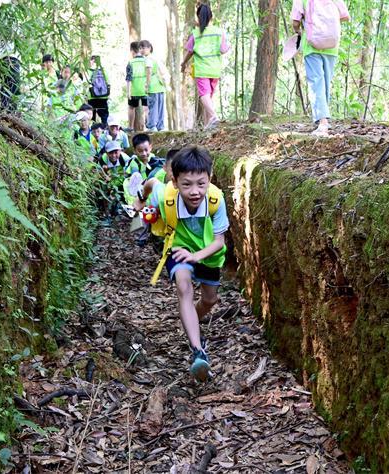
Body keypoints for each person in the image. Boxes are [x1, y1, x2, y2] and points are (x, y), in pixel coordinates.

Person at [133, 146, 229, 382]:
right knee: (183, 288)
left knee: (209, 300)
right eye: (186, 185)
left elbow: (219, 241)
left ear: (209, 178)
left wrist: (197, 256)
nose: (194, 191)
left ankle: (191, 322)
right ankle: (198, 351)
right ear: (174, 182)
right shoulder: (165, 195)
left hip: (208, 254)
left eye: (200, 184)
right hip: (178, 249)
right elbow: (151, 186)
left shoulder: (216, 199)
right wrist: (141, 203)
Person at [291, 0, 350, 137]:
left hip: (311, 45)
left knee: (316, 82)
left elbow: (295, 21)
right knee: (325, 82)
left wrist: (299, 30)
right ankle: (323, 120)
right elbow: (345, 16)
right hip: (331, 45)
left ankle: (322, 123)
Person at [181, 3, 230, 130]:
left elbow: (190, 51)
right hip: (214, 69)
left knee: (204, 95)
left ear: (198, 17)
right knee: (209, 96)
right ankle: (209, 124)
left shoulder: (196, 34)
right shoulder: (219, 32)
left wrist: (184, 63)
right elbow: (224, 50)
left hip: (202, 69)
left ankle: (213, 117)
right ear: (211, 17)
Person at [141, 40, 168, 132]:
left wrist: (147, 85)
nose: (142, 50)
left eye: (144, 48)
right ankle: (160, 126)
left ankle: (152, 126)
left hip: (152, 86)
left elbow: (148, 72)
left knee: (152, 106)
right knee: (160, 107)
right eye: (140, 48)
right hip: (160, 85)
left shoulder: (148, 59)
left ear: (149, 48)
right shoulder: (155, 58)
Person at [126, 41, 149, 131]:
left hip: (134, 89)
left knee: (131, 108)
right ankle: (147, 126)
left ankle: (131, 127)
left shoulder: (130, 62)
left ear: (132, 50)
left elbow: (128, 78)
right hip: (145, 89)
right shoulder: (146, 60)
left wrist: (128, 92)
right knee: (146, 107)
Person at [88, 55, 111, 126]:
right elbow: (108, 82)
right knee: (104, 116)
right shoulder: (103, 70)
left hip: (92, 96)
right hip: (103, 97)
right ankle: (104, 128)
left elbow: (87, 83)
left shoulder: (89, 71)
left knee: (92, 116)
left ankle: (93, 130)